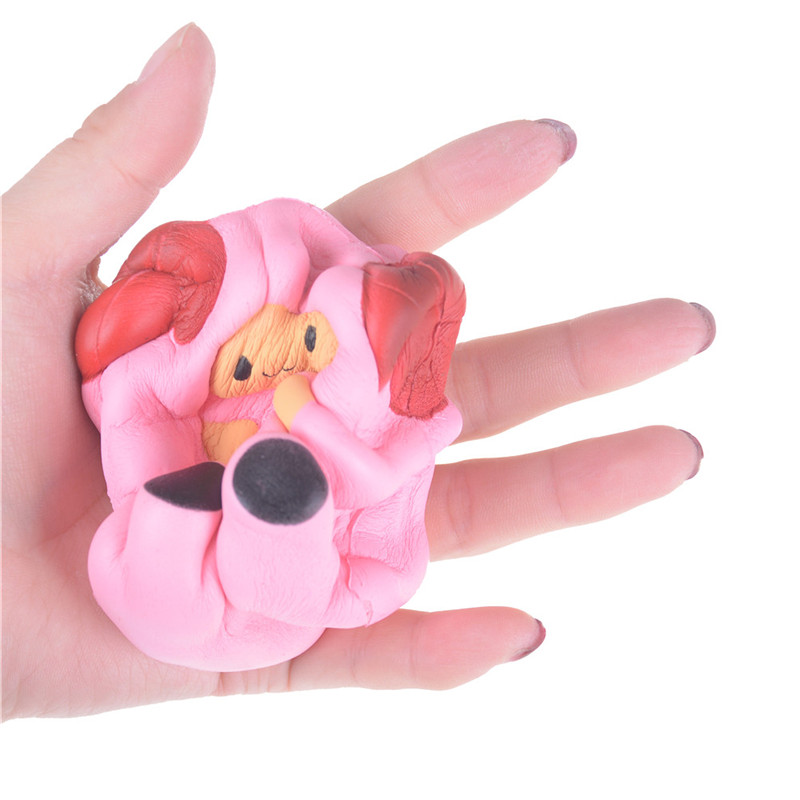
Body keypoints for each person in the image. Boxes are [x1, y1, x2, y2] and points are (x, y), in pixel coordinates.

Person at [1, 24, 714, 719]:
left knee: (258, 547)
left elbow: (371, 481)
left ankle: (263, 513)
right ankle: (212, 519)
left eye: (316, 339)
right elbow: (143, 411)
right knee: (166, 536)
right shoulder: (200, 386)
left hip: (276, 590)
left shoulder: (397, 425)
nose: (292, 360)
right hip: (154, 562)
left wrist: (308, 425)